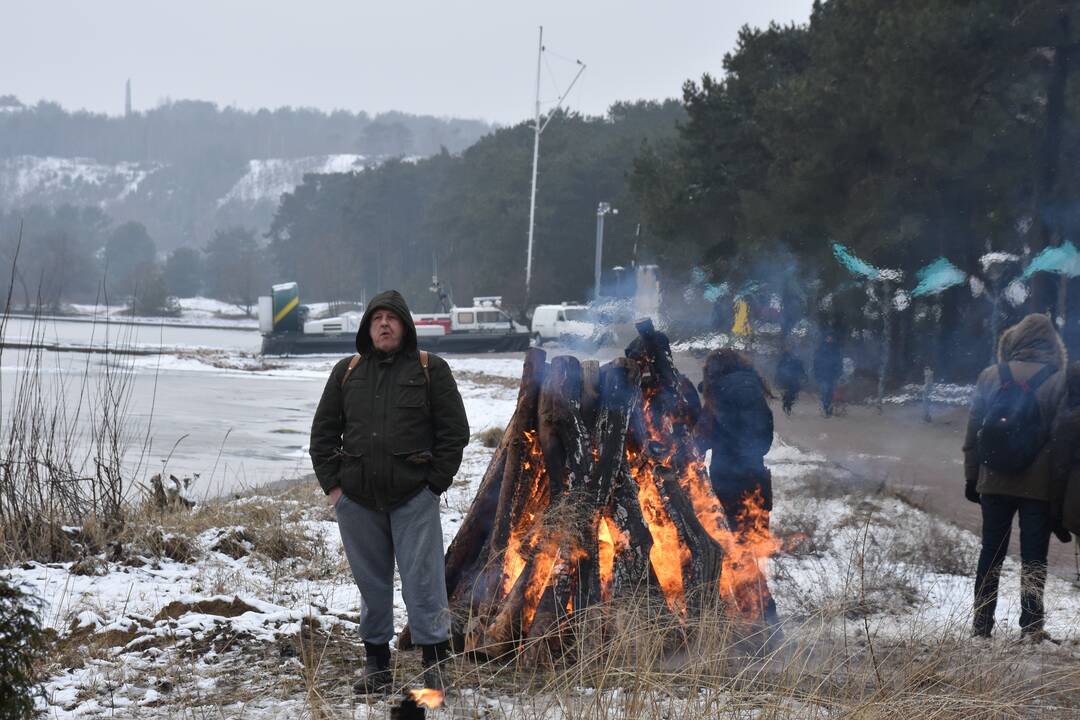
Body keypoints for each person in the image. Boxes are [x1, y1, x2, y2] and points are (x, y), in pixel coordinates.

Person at [309, 290, 469, 693]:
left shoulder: (431, 369)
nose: (384, 324)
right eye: (376, 318)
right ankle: (376, 666)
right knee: (371, 586)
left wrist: (434, 485)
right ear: (367, 328)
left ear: (405, 326)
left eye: (392, 318)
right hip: (357, 502)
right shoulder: (347, 372)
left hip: (414, 497)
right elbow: (323, 436)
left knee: (424, 582)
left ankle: (434, 668)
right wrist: (335, 490)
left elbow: (455, 434)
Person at [962, 313, 1066, 641]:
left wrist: (971, 477)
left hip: (993, 479)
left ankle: (981, 624)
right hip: (1039, 486)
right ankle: (1031, 627)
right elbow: (1063, 438)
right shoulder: (1059, 379)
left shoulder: (991, 375)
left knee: (991, 550)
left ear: (1016, 340)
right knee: (1034, 555)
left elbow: (974, 429)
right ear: (1051, 344)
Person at [695, 348, 778, 626]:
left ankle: (758, 621)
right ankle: (761, 620)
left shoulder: (717, 398)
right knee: (751, 554)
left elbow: (699, 442)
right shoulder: (757, 395)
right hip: (757, 485)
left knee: (733, 556)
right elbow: (765, 443)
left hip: (727, 486)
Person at [813, 333, 843, 417]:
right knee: (825, 391)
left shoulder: (835, 349)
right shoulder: (820, 349)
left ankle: (829, 408)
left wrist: (839, 373)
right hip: (822, 375)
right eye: (828, 337)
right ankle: (826, 408)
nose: (829, 339)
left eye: (831, 337)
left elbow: (839, 362)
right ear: (825, 338)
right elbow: (816, 362)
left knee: (830, 392)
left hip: (832, 375)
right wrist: (816, 374)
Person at [774, 346, 807, 416]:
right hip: (785, 379)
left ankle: (788, 404)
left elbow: (800, 368)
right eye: (786, 348)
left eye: (789, 348)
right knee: (787, 393)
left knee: (793, 394)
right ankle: (787, 405)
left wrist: (803, 375)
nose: (788, 349)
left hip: (794, 379)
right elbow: (778, 370)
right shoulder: (782, 359)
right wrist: (777, 379)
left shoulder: (795, 358)